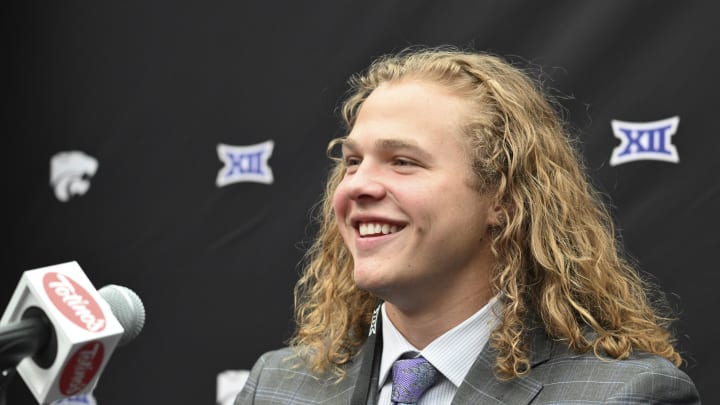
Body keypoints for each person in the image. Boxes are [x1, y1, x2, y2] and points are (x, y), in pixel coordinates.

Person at [235, 46, 700, 404]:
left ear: (501, 195)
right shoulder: (276, 386)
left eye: (402, 161)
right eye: (353, 161)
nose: (357, 185)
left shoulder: (622, 396)